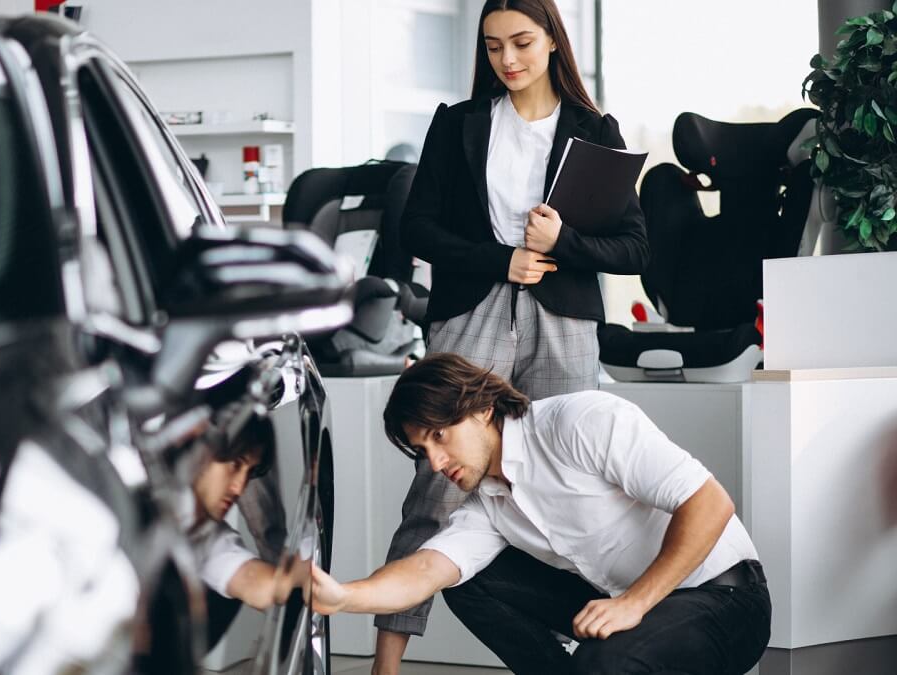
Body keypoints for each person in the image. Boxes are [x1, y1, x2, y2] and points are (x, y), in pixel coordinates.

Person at [376, 0, 650, 669]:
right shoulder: (460, 124)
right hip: (472, 309)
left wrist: (566, 241)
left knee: (571, 486)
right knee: (435, 490)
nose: (508, 60)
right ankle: (384, 664)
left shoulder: (595, 129)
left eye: (522, 43)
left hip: (562, 319)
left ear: (553, 40)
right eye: (494, 46)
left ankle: (591, 655)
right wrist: (501, 259)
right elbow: (418, 229)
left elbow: (634, 245)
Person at [314, 353, 771, 674]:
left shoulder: (579, 422)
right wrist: (343, 597)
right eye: (421, 449)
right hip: (628, 604)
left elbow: (710, 503)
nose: (434, 462)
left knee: (603, 662)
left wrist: (634, 605)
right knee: (469, 581)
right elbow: (426, 569)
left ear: (481, 407)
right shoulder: (487, 502)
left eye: (439, 435)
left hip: (726, 600)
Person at [183, 412, 290, 649]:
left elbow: (251, 579)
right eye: (235, 465)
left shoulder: (204, 532)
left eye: (249, 473)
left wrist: (308, 584)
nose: (239, 488)